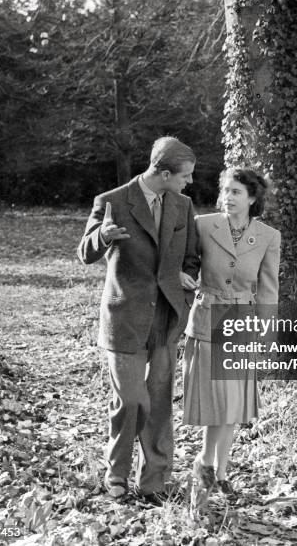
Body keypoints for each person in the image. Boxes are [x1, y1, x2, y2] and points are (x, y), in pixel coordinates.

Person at [77, 136, 199, 503]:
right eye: (185, 176)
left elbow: (189, 258)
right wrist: (102, 235)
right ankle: (116, 473)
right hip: (124, 317)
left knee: (160, 402)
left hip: (165, 318)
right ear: (163, 173)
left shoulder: (183, 205)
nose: (189, 182)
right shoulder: (112, 201)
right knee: (132, 400)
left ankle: (154, 481)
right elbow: (84, 252)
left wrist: (182, 283)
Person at [182, 167, 281, 510]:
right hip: (209, 319)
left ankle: (219, 471)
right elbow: (188, 265)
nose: (227, 196)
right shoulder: (204, 225)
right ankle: (204, 469)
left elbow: (268, 290)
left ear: (252, 198)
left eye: (236, 191)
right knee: (219, 406)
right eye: (225, 190)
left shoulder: (268, 236)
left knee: (232, 406)